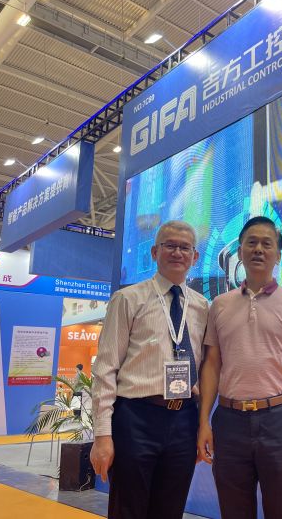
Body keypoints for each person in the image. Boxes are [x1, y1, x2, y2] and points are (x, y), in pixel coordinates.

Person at [198, 216, 282, 519]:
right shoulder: (220, 305)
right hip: (229, 422)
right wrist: (203, 421)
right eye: (251, 242)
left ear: (278, 255)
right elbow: (212, 365)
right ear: (239, 251)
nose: (258, 249)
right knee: (233, 510)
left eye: (267, 244)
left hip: (279, 421)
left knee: (281, 510)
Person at [91, 220, 208, 519]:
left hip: (184, 419)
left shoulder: (202, 306)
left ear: (195, 257)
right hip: (135, 418)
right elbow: (105, 369)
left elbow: (206, 368)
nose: (177, 252)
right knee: (128, 509)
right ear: (155, 252)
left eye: (185, 248)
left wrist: (199, 426)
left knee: (170, 510)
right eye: (170, 245)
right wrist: (102, 436)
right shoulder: (128, 299)